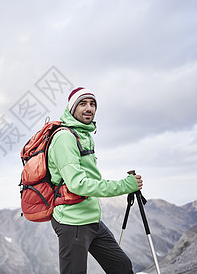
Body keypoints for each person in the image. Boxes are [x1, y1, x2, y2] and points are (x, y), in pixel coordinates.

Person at [48, 87, 143, 274]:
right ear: (72, 108)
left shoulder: (84, 135)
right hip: (72, 221)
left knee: (122, 266)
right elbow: (78, 184)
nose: (89, 108)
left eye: (92, 104)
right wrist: (124, 185)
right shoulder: (65, 138)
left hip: (91, 218)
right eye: (82, 104)